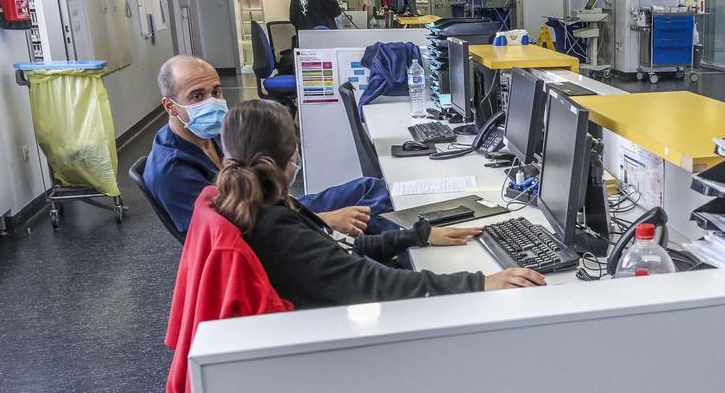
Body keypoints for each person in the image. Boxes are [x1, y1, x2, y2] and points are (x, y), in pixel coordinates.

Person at [214, 98, 545, 307]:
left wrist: (418, 236)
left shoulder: (266, 204)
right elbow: (369, 281)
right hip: (346, 330)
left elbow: (342, 250)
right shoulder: (277, 229)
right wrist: (480, 283)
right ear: (290, 153)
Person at [144, 55, 391, 237]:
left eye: (216, 92)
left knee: (371, 188)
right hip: (263, 230)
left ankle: (409, 238)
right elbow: (227, 236)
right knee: (368, 215)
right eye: (197, 96)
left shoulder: (212, 134)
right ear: (170, 106)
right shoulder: (171, 170)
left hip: (273, 207)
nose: (212, 102)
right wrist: (322, 220)